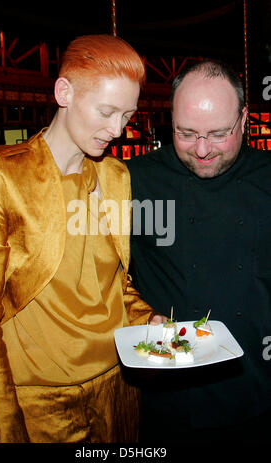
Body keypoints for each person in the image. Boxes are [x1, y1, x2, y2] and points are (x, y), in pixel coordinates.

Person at [0, 34, 161, 443]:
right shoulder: (2, 179)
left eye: (127, 116)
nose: (117, 130)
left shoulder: (116, 177)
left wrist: (149, 320)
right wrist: (2, 426)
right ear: (64, 92)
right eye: (106, 111)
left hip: (118, 388)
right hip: (39, 400)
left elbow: (114, 283)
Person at [127, 59, 271, 444]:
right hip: (168, 401)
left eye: (218, 133)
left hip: (259, 392)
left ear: (244, 119)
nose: (203, 150)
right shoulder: (133, 180)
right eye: (186, 134)